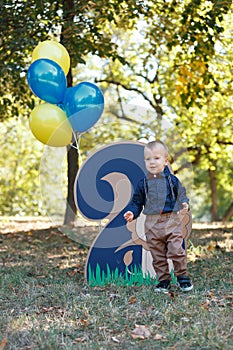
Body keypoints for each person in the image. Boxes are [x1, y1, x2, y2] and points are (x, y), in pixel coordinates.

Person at [124, 140, 193, 293]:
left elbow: (181, 193)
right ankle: (163, 280)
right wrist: (132, 213)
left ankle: (182, 277)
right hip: (151, 224)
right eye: (148, 159)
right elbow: (137, 202)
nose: (152, 162)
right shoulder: (143, 183)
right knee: (157, 254)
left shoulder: (172, 180)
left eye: (156, 158)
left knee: (176, 249)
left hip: (171, 221)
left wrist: (184, 203)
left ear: (165, 161)